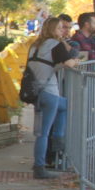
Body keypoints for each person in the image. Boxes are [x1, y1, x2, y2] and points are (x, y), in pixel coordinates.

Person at [28, 17, 79, 179]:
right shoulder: (55, 45)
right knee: (43, 133)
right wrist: (76, 61)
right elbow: (70, 62)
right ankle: (40, 166)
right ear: (52, 30)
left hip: (35, 91)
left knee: (64, 106)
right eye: (59, 29)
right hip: (49, 92)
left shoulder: (35, 46)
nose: (61, 32)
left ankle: (58, 138)